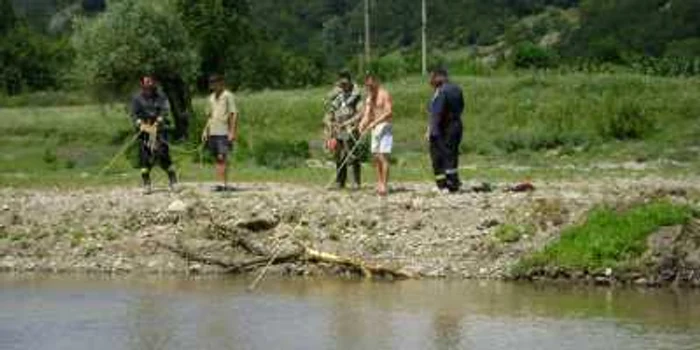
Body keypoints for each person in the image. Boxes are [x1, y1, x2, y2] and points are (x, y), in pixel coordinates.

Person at [130, 75, 177, 194]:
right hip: (144, 132)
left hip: (159, 130)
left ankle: (173, 181)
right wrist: (140, 123)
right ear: (142, 84)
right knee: (145, 158)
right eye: (147, 81)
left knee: (163, 155)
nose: (149, 83)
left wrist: (158, 122)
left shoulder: (161, 96)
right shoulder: (137, 98)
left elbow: (165, 111)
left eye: (151, 81)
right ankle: (146, 184)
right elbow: (134, 114)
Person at [324, 71, 364, 190]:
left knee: (352, 155)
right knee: (339, 156)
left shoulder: (356, 96)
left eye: (345, 83)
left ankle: (356, 182)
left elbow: (360, 113)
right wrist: (330, 123)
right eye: (342, 84)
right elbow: (330, 113)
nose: (343, 86)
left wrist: (349, 123)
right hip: (338, 129)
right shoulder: (338, 97)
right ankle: (340, 182)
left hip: (350, 129)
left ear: (349, 81)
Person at [427, 68, 464, 193]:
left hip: (442, 128)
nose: (430, 81)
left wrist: (432, 130)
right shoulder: (457, 89)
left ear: (440, 77)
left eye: (432, 78)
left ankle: (444, 184)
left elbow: (437, 112)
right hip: (456, 125)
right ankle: (453, 182)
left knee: (438, 157)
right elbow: (461, 107)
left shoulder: (442, 91)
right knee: (451, 155)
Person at [202, 74, 238, 191]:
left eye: (216, 82)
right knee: (217, 158)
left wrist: (232, 131)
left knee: (222, 156)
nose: (214, 85)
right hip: (213, 131)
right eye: (212, 83)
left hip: (224, 131)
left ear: (221, 83)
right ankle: (220, 183)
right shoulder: (211, 98)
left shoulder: (228, 96)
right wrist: (205, 130)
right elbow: (209, 116)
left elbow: (233, 114)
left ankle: (222, 183)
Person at [359, 72, 393, 196]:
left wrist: (375, 122)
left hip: (385, 126)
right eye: (367, 85)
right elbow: (367, 114)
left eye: (371, 85)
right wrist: (362, 124)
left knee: (383, 156)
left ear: (376, 82)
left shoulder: (384, 94)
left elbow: (389, 112)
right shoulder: (369, 97)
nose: (369, 87)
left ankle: (384, 184)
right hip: (375, 128)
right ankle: (379, 182)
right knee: (375, 156)